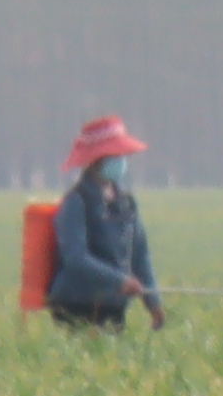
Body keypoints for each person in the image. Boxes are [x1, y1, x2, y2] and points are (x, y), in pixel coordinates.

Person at [47, 114, 164, 330]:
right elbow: (76, 257)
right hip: (76, 304)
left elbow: (140, 256)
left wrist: (153, 302)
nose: (122, 162)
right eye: (115, 155)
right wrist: (119, 281)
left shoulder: (126, 203)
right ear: (97, 160)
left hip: (113, 305)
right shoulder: (76, 201)